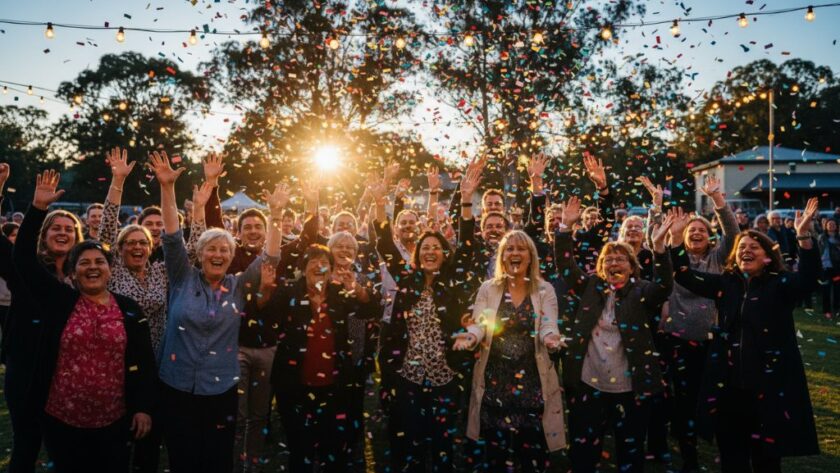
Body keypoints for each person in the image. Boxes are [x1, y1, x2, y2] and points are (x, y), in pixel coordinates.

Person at [13, 170, 156, 472]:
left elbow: (144, 363)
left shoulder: (129, 310)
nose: (92, 267)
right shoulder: (59, 301)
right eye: (84, 263)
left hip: (114, 420)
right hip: (61, 418)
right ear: (74, 272)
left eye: (99, 262)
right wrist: (38, 209)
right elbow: (23, 259)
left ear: (109, 269)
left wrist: (143, 407)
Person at [149, 151, 284, 473]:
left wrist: (276, 214)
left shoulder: (238, 285)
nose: (218, 253)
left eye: (225, 249)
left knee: (217, 459)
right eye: (211, 248)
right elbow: (170, 236)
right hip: (177, 386)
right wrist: (167, 187)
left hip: (220, 388)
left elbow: (271, 258)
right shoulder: (182, 276)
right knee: (183, 457)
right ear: (199, 252)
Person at [670, 197, 822, 473]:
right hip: (729, 390)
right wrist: (677, 240)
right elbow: (684, 275)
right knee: (732, 458)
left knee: (766, 460)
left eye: (754, 247)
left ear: (767, 256)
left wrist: (803, 236)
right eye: (742, 247)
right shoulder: (726, 284)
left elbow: (809, 279)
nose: (746, 250)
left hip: (767, 389)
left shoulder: (780, 284)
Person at [372, 162, 480, 473]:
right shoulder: (407, 281)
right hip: (409, 377)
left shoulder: (453, 283)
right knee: (411, 447)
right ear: (417, 255)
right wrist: (381, 204)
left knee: (443, 444)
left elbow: (469, 244)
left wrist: (467, 200)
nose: (431, 251)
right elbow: (385, 245)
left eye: (437, 247)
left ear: (445, 254)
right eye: (425, 248)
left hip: (446, 376)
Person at [555, 196, 674, 473]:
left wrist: (659, 248)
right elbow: (565, 267)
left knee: (629, 450)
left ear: (632, 267)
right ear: (600, 266)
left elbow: (665, 286)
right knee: (585, 450)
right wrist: (564, 229)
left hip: (629, 388)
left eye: (621, 259)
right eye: (608, 259)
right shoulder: (590, 286)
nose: (614, 262)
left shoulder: (642, 291)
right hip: (588, 384)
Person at [257, 241, 378, 472]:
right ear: (303, 268)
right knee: (300, 450)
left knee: (333, 451)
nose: (320, 266)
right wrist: (265, 289)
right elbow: (265, 317)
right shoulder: (289, 291)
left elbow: (370, 310)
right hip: (294, 388)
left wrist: (358, 289)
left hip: (335, 388)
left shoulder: (341, 292)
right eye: (314, 262)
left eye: (325, 263)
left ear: (331, 270)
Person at [453, 230, 566, 472]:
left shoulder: (545, 289)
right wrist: (471, 336)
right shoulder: (488, 288)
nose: (515, 253)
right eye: (510, 249)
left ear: (530, 256)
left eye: (521, 249)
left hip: (533, 384)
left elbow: (548, 323)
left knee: (531, 453)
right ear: (502, 257)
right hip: (495, 383)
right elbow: (481, 323)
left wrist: (550, 339)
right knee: (495, 455)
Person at [1, 166, 86, 473]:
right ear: (43, 234)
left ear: (77, 237)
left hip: (70, 374)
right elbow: (16, 251)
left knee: (65, 448)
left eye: (68, 229)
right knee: (26, 443)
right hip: (27, 369)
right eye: (55, 228)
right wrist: (36, 208)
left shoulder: (85, 279)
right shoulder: (24, 269)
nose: (63, 232)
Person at [659, 176, 739, 473]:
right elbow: (666, 253)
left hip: (711, 343)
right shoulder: (673, 259)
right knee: (683, 402)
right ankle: (689, 458)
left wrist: (718, 200)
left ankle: (721, 448)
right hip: (678, 342)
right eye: (691, 230)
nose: (696, 234)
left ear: (709, 237)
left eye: (701, 231)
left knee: (716, 398)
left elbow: (732, 232)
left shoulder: (718, 259)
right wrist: (675, 237)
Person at [818, 218, 840, 318]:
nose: (831, 226)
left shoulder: (838, 239)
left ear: (836, 226)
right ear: (826, 226)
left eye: (833, 224)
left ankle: (836, 309)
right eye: (829, 224)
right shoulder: (821, 237)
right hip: (825, 268)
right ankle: (826, 311)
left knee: (837, 290)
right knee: (825, 290)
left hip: (837, 268)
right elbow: (818, 252)